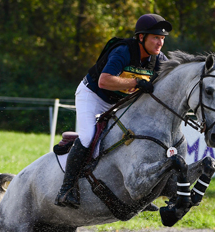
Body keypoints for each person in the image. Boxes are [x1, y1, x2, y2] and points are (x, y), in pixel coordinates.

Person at [55, 14, 172, 209]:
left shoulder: (159, 60)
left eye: (162, 38)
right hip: (92, 96)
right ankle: (66, 189)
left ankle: (138, 191)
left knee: (134, 136)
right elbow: (104, 81)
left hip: (118, 102)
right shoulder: (123, 51)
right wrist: (136, 82)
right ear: (141, 37)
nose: (160, 42)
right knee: (88, 137)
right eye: (155, 37)